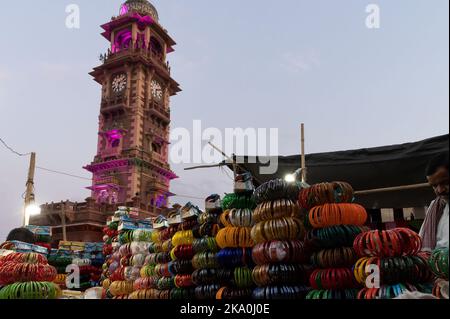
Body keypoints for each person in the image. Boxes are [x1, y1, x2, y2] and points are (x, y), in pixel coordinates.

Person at [419, 152, 449, 251]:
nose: (440, 190)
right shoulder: (435, 207)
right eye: (434, 186)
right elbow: (422, 245)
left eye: (445, 182)